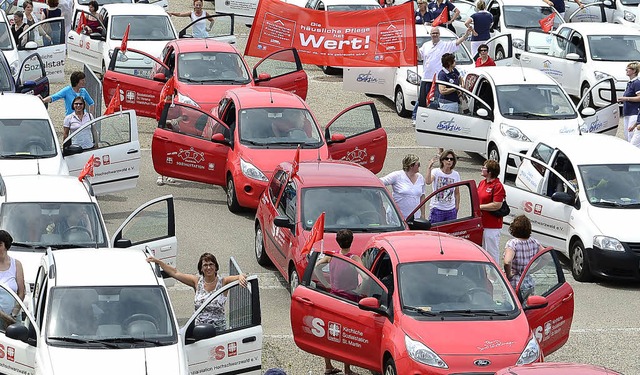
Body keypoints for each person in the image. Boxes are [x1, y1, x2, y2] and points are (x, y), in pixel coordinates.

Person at [147, 252, 247, 330]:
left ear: (216, 267)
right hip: (199, 331)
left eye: (211, 264)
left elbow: (240, 276)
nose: (208, 267)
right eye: (205, 265)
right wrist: (159, 262)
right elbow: (175, 273)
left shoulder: (223, 282)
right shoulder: (196, 282)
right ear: (201, 268)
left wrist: (242, 277)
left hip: (219, 331)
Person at [315, 229, 361, 375]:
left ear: (337, 241)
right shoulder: (354, 258)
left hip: (333, 298)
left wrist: (327, 285)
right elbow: (366, 277)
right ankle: (347, 369)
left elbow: (317, 268)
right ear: (352, 241)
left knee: (329, 333)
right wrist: (360, 290)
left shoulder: (332, 256)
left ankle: (328, 366)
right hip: (349, 299)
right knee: (346, 334)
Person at [413, 25, 472, 127]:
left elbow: (457, 42)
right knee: (422, 99)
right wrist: (417, 49)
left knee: (435, 101)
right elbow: (420, 57)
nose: (434, 35)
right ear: (430, 35)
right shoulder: (426, 45)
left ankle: (432, 120)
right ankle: (415, 117)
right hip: (426, 77)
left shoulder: (445, 45)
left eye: (436, 33)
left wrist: (466, 35)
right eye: (433, 33)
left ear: (439, 35)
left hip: (438, 79)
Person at [503, 215, 544, 293]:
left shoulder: (513, 243)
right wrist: (533, 269)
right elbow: (547, 257)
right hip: (528, 282)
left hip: (515, 284)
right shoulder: (534, 242)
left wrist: (509, 275)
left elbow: (507, 262)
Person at [380, 154, 426, 220]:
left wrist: (423, 214)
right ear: (411, 166)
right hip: (398, 218)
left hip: (415, 218)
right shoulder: (397, 176)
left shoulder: (421, 178)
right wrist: (386, 196)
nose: (419, 166)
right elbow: (380, 182)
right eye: (418, 164)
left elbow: (422, 196)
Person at [478, 159, 505, 263]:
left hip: (492, 226)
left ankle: (494, 277)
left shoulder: (497, 186)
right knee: (481, 253)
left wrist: (480, 207)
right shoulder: (482, 183)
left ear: (489, 171)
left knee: (492, 253)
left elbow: (497, 205)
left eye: (484, 168)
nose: (482, 169)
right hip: (481, 224)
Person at [426, 150, 460, 223]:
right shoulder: (436, 171)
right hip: (437, 208)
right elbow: (428, 182)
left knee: (449, 232)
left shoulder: (456, 174)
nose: (449, 161)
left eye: (451, 159)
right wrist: (429, 168)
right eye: (447, 158)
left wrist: (457, 207)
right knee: (435, 232)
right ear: (442, 160)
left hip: (451, 209)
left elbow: (457, 193)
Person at [0, 230, 25, 330]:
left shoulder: (16, 264)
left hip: (13, 319)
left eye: (0, 244)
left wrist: (13, 314)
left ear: (6, 246)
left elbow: (21, 292)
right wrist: (4, 317)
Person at [618, 62, 640, 142]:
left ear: (634, 71)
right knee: (627, 136)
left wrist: (626, 99)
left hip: (634, 112)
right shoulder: (629, 83)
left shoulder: (637, 83)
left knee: (632, 137)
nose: (626, 70)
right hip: (627, 112)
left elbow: (639, 97)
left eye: (628, 68)